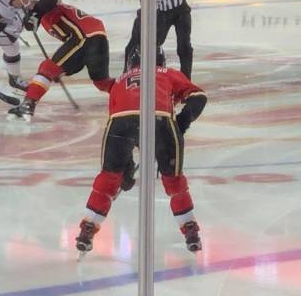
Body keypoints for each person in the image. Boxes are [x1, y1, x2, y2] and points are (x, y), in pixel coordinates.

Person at [75, 48, 206, 256]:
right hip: (160, 118)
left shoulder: (119, 80)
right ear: (160, 60)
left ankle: (88, 227)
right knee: (173, 181)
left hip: (119, 122)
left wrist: (125, 163)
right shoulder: (167, 72)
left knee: (108, 178)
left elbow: (118, 114)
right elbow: (199, 96)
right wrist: (183, 120)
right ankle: (190, 231)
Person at [7, 0, 113, 122]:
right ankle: (129, 93)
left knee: (47, 68)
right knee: (102, 82)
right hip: (95, 37)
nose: (24, 4)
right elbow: (30, 24)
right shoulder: (42, 13)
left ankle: (28, 105)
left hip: (85, 37)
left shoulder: (46, 3)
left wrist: (35, 13)